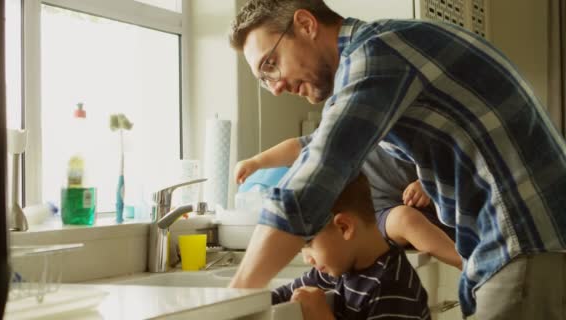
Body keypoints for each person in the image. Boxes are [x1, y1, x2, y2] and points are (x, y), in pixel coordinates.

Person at [227, 1, 566, 319]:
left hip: (524, 237)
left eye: (271, 64)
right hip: (529, 240)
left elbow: (310, 184)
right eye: (264, 78)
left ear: (305, 24)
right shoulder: (389, 49)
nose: (275, 87)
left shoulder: (377, 53)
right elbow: (320, 146)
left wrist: (234, 300)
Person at [235, 141, 461, 269]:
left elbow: (452, 161)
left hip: (432, 209)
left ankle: (469, 266)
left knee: (411, 217)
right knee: (405, 219)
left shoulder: (409, 133)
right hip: (375, 214)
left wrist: (426, 184)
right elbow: (297, 146)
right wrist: (256, 162)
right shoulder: (341, 135)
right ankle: (467, 266)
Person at [271, 174, 430, 319]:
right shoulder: (338, 266)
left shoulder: (391, 289)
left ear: (344, 227)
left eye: (308, 244)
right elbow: (281, 295)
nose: (307, 259)